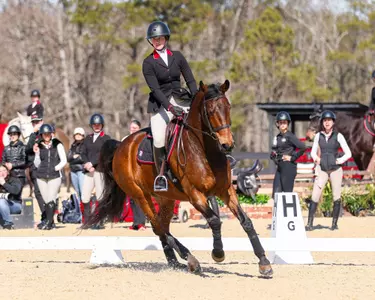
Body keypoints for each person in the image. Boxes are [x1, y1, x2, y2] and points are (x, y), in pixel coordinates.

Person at [142, 21, 198, 191]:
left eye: (159, 38)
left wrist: (195, 97)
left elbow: (190, 79)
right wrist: (170, 108)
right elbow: (155, 89)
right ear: (151, 41)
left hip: (182, 98)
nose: (157, 41)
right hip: (162, 103)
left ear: (166, 38)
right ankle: (162, 174)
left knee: (205, 120)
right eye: (154, 39)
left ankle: (221, 156)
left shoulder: (178, 56)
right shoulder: (148, 62)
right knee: (158, 136)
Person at [306, 110, 352, 231]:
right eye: (325, 120)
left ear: (333, 122)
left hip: (335, 170)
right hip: (322, 170)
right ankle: (309, 223)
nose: (327, 122)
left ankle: (334, 224)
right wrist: (317, 159)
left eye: (329, 120)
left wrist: (339, 161)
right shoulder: (318, 136)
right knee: (315, 195)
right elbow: (312, 152)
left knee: (336, 196)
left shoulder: (339, 136)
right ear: (322, 122)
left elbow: (348, 153)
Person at [33, 124, 67, 230]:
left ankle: (48, 222)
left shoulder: (58, 144)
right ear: (41, 135)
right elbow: (37, 163)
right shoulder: (38, 145)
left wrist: (55, 168)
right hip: (41, 176)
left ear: (51, 134)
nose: (47, 135)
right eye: (44, 134)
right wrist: (37, 154)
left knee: (51, 198)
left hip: (54, 176)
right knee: (46, 200)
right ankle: (50, 223)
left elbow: (64, 160)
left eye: (48, 133)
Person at [80, 113, 111, 229]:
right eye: (94, 124)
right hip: (89, 171)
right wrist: (87, 164)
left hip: (100, 170)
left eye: (98, 124)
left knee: (100, 196)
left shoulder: (106, 138)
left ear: (102, 125)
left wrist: (92, 163)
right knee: (85, 197)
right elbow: (82, 152)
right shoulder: (87, 138)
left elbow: (103, 154)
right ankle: (87, 221)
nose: (96, 126)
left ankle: (100, 221)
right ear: (92, 125)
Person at [270, 111, 307, 198]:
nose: (282, 124)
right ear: (277, 124)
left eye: (285, 122)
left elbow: (303, 147)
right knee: (276, 194)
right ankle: (278, 212)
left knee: (287, 194)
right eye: (281, 122)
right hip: (280, 166)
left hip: (289, 167)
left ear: (288, 123)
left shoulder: (290, 136)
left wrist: (292, 158)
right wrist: (274, 156)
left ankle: (288, 211)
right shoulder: (278, 137)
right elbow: (276, 150)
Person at [24, 113, 46, 228]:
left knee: (45, 193)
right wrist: (33, 134)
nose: (35, 124)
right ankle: (44, 216)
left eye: (37, 122)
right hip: (34, 168)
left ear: (41, 121)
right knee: (37, 193)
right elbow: (27, 149)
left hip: (44, 168)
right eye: (33, 122)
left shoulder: (45, 133)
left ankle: (48, 217)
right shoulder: (33, 135)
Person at [2, 125, 26, 194]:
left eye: (14, 134)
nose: (12, 136)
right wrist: (5, 165)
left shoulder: (23, 147)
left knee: (17, 195)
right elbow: (3, 161)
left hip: (19, 176)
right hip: (8, 176)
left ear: (18, 135)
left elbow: (24, 161)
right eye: (11, 134)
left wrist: (12, 165)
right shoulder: (6, 148)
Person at [0, 163, 23, 229]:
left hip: (14, 205)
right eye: (0, 171)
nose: (2, 173)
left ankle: (8, 224)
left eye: (4, 170)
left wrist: (4, 184)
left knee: (1, 201)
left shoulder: (14, 180)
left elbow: (16, 191)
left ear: (8, 172)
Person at [67, 127, 85, 201]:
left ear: (83, 135)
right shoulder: (73, 146)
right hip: (73, 171)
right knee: (78, 192)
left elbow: (82, 158)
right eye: (76, 134)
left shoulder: (85, 145)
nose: (78, 136)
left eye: (79, 134)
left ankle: (85, 210)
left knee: (82, 192)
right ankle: (80, 209)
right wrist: (74, 157)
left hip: (81, 171)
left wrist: (73, 158)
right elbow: (68, 158)